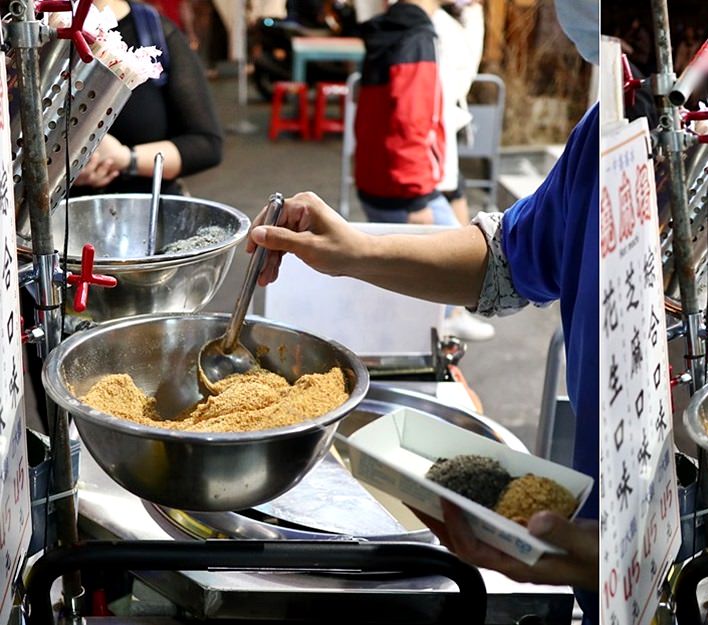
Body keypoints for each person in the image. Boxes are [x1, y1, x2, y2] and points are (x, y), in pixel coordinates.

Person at [247, 1, 600, 620]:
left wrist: (630, 552)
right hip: (596, 564)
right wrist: (356, 251)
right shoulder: (605, 133)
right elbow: (507, 261)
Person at [74, 0, 222, 195]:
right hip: (53, 217)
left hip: (148, 213)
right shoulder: (32, 34)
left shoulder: (153, 29)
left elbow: (206, 144)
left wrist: (124, 158)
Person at [354, 0, 456, 225]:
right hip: (407, 195)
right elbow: (410, 121)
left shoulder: (392, 29)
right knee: (469, 258)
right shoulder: (416, 37)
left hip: (377, 182)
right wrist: (416, 201)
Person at [432, 0, 495, 341]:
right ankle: (446, 314)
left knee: (457, 216)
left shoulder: (459, 16)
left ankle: (453, 311)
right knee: (443, 229)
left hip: (444, 132)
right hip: (434, 135)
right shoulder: (436, 22)